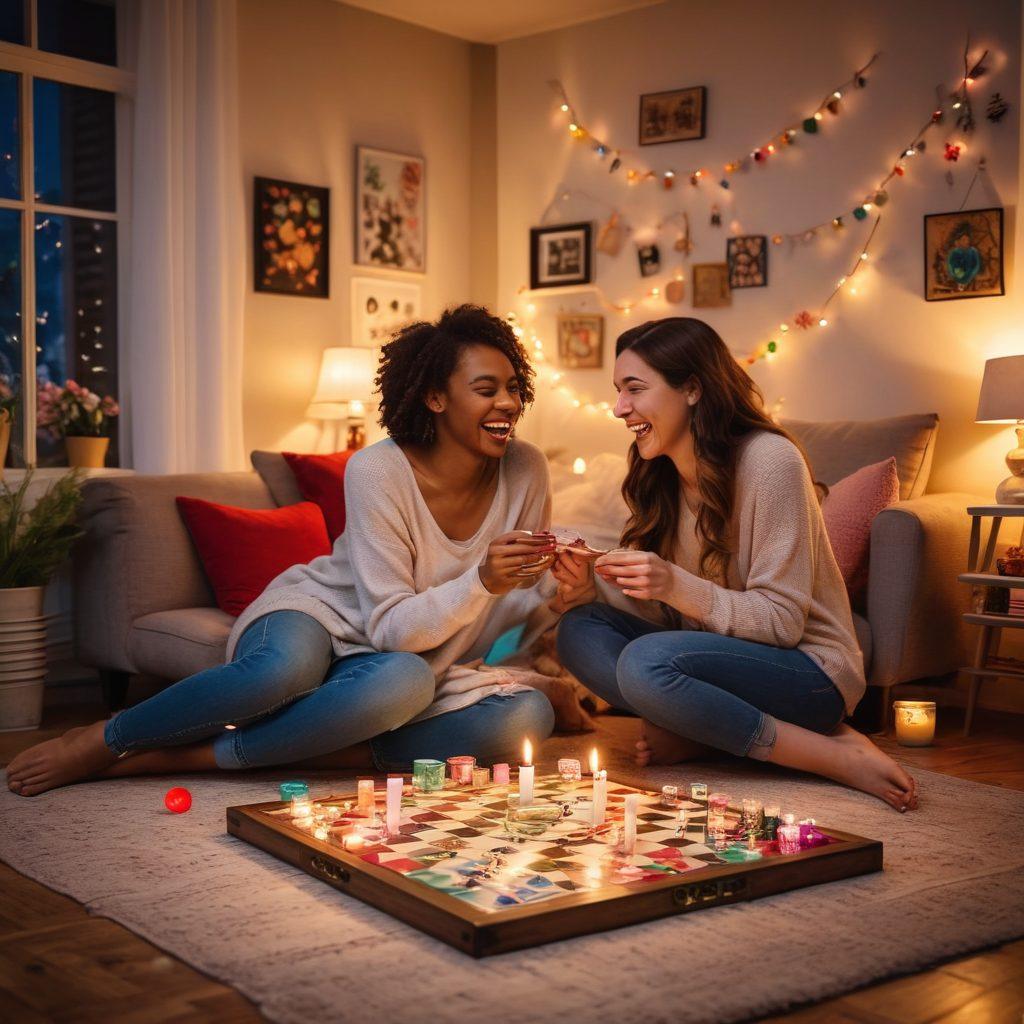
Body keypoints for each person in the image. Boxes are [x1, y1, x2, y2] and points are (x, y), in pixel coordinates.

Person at [7, 305, 563, 797]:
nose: (508, 403)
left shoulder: (526, 467)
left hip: (408, 664)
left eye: (514, 388)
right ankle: (106, 740)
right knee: (286, 673)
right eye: (487, 389)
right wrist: (482, 580)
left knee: (522, 716)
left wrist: (567, 591)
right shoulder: (378, 470)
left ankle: (192, 757)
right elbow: (392, 626)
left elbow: (521, 602)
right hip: (323, 616)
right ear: (435, 397)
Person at [553, 317, 918, 812]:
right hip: (718, 663)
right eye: (619, 391)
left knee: (647, 663)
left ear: (693, 389)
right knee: (579, 629)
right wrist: (588, 589)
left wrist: (675, 584)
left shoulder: (770, 463)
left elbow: (783, 623)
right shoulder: (658, 474)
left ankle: (830, 754)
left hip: (808, 672)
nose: (620, 408)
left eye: (634, 389)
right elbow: (672, 622)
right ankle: (706, 733)